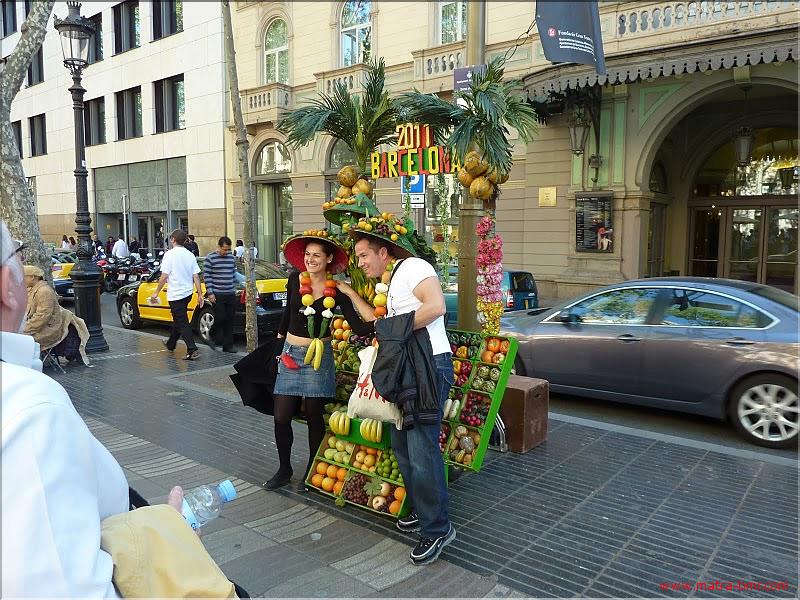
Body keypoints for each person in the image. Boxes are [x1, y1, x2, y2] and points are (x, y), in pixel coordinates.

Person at [0, 220, 220, 597]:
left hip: (177, 297)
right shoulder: (30, 411)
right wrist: (168, 551)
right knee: (182, 325)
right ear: (8, 284)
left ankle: (181, 345)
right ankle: (185, 346)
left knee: (180, 324)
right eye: (18, 255)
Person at [343, 215, 455, 566]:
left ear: (381, 252)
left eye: (363, 256)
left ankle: (438, 529)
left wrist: (394, 328)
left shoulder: (412, 267)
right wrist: (349, 295)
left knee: (422, 452)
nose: (360, 263)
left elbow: (435, 307)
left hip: (429, 367)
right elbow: (381, 325)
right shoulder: (394, 281)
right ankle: (425, 513)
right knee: (402, 448)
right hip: (410, 371)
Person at [265, 232, 372, 492]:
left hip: (318, 358)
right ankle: (284, 469)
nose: (310, 260)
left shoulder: (335, 290)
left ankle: (312, 470)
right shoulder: (294, 279)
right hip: (290, 354)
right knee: (281, 415)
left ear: (328, 259)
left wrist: (351, 293)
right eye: (307, 254)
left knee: (314, 416)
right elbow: (286, 316)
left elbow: (360, 325)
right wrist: (277, 351)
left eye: (316, 255)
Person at [149, 229, 204, 360]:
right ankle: (171, 343)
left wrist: (156, 292)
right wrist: (200, 294)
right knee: (178, 319)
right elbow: (196, 276)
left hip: (176, 295)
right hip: (187, 293)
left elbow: (164, 276)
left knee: (182, 321)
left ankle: (192, 349)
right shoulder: (190, 255)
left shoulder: (169, 255)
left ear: (173, 239)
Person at [23, 265, 90, 366]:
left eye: (24, 277)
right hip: (39, 327)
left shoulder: (44, 291)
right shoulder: (32, 290)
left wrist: (24, 329)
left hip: (49, 330)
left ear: (33, 277)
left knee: (18, 339)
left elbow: (42, 318)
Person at [202, 236, 237, 353]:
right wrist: (210, 293)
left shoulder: (231, 258)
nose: (226, 252)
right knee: (220, 317)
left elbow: (233, 274)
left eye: (228, 250)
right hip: (217, 293)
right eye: (224, 249)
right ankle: (212, 335)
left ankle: (228, 346)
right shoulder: (210, 258)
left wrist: (235, 287)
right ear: (219, 246)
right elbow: (207, 277)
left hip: (230, 293)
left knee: (230, 319)